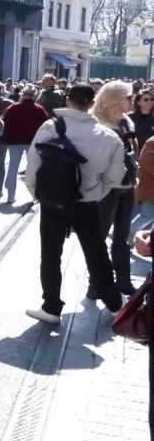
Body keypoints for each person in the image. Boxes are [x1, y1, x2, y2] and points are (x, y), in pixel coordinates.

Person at [25, 83, 127, 323]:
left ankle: (51, 307)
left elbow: (33, 168)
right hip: (86, 201)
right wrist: (95, 193)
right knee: (96, 252)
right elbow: (114, 178)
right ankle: (114, 304)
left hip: (53, 201)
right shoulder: (109, 137)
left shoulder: (50, 128)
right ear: (91, 104)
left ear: (67, 99)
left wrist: (39, 195)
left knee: (51, 254)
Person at [92, 81, 140, 296]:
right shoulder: (97, 123)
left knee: (122, 237)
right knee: (99, 237)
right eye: (128, 97)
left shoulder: (127, 121)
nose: (132, 101)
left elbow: (134, 152)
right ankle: (96, 284)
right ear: (114, 99)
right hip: (106, 186)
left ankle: (123, 281)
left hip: (127, 185)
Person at [0, 85, 49, 204]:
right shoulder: (39, 109)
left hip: (14, 141)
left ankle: (10, 195)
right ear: (34, 96)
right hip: (32, 142)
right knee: (34, 167)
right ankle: (35, 193)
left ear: (23, 95)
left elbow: (3, 121)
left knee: (12, 167)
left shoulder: (13, 107)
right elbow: (46, 125)